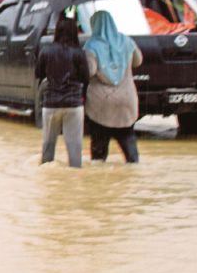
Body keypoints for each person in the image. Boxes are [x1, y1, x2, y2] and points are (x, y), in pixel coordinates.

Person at [83, 10, 143, 163]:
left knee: (99, 150)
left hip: (101, 104)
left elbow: (89, 71)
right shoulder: (127, 42)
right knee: (128, 141)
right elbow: (138, 61)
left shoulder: (91, 46)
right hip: (126, 101)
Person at [35, 16, 89, 168]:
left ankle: (48, 179)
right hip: (74, 104)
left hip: (51, 104)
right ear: (74, 32)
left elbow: (38, 74)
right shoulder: (79, 52)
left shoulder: (46, 51)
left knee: (48, 148)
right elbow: (86, 78)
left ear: (57, 32)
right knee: (75, 151)